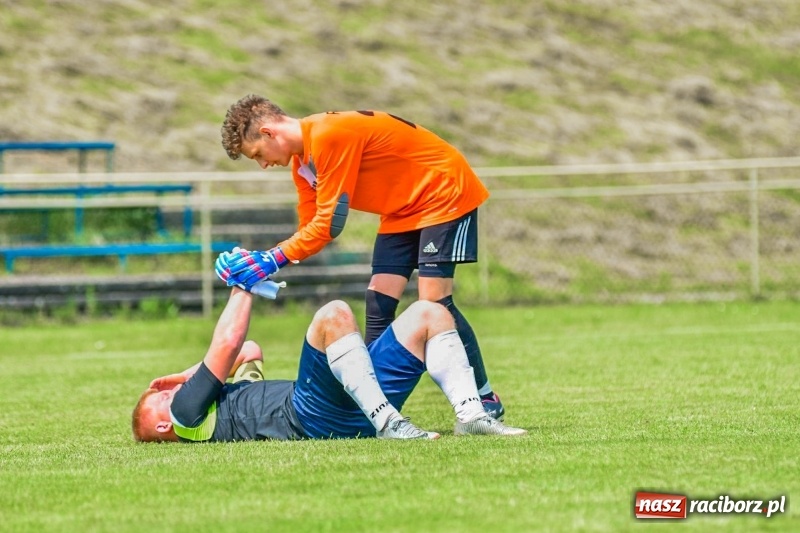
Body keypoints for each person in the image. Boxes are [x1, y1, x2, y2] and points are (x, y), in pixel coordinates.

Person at [219, 94, 506, 420]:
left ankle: (484, 398)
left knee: (434, 303)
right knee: (378, 301)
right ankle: (374, 404)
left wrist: (272, 259)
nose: (263, 164)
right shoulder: (302, 165)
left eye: (257, 154)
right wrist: (265, 259)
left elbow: (327, 226)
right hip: (402, 208)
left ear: (269, 132)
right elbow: (309, 232)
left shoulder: (328, 135)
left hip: (441, 190)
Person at [131, 286, 526, 443]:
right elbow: (229, 340)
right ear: (164, 423)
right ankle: (390, 425)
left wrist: (189, 374)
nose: (174, 393)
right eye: (163, 398)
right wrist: (243, 285)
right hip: (310, 416)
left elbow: (248, 350)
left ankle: (471, 415)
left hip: (350, 402)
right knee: (333, 313)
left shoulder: (219, 399)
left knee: (429, 313)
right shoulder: (186, 418)